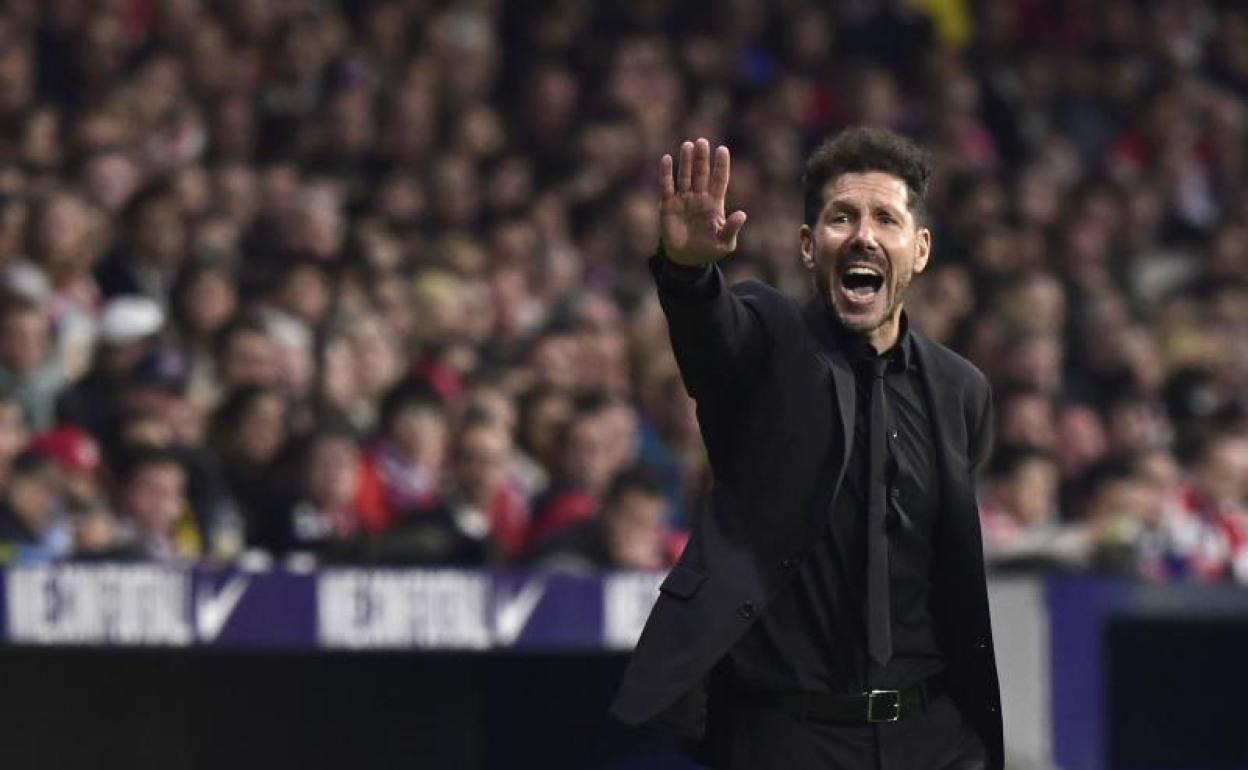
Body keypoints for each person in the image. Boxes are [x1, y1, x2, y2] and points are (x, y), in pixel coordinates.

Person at [611, 128, 1002, 770]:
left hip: (930, 737)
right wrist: (687, 270)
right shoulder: (767, 337)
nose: (863, 235)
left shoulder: (962, 390)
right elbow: (712, 337)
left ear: (921, 249)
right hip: (789, 739)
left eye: (886, 218)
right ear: (807, 245)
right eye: (841, 216)